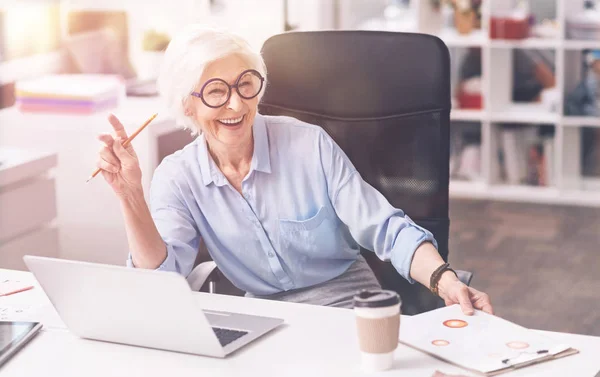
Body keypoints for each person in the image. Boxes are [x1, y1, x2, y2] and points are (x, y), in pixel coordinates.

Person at [96, 25, 493, 314]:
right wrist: (131, 196)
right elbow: (162, 277)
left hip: (348, 302)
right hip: (265, 316)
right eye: (216, 91)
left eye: (245, 84)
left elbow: (384, 226)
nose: (236, 105)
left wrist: (445, 278)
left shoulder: (308, 144)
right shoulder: (177, 177)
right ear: (188, 106)